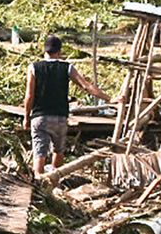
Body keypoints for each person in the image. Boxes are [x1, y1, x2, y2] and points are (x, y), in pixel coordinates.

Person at [24, 34, 112, 178]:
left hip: (40, 117)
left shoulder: (34, 67)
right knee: (58, 150)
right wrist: (109, 98)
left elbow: (29, 96)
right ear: (59, 51)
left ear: (44, 51)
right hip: (60, 118)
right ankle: (54, 180)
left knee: (39, 151)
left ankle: (38, 180)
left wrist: (26, 117)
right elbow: (86, 86)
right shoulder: (67, 67)